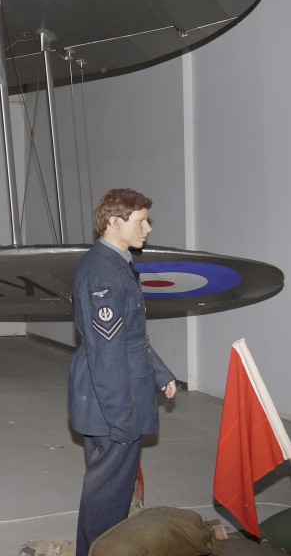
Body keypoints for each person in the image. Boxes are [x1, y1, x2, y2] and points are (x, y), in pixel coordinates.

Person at [69, 188, 178, 556]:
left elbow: (131, 337)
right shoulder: (103, 274)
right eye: (140, 221)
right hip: (113, 402)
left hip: (119, 392)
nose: (148, 228)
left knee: (112, 494)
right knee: (106, 500)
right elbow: (106, 355)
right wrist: (122, 423)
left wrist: (160, 373)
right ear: (115, 222)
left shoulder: (117, 265)